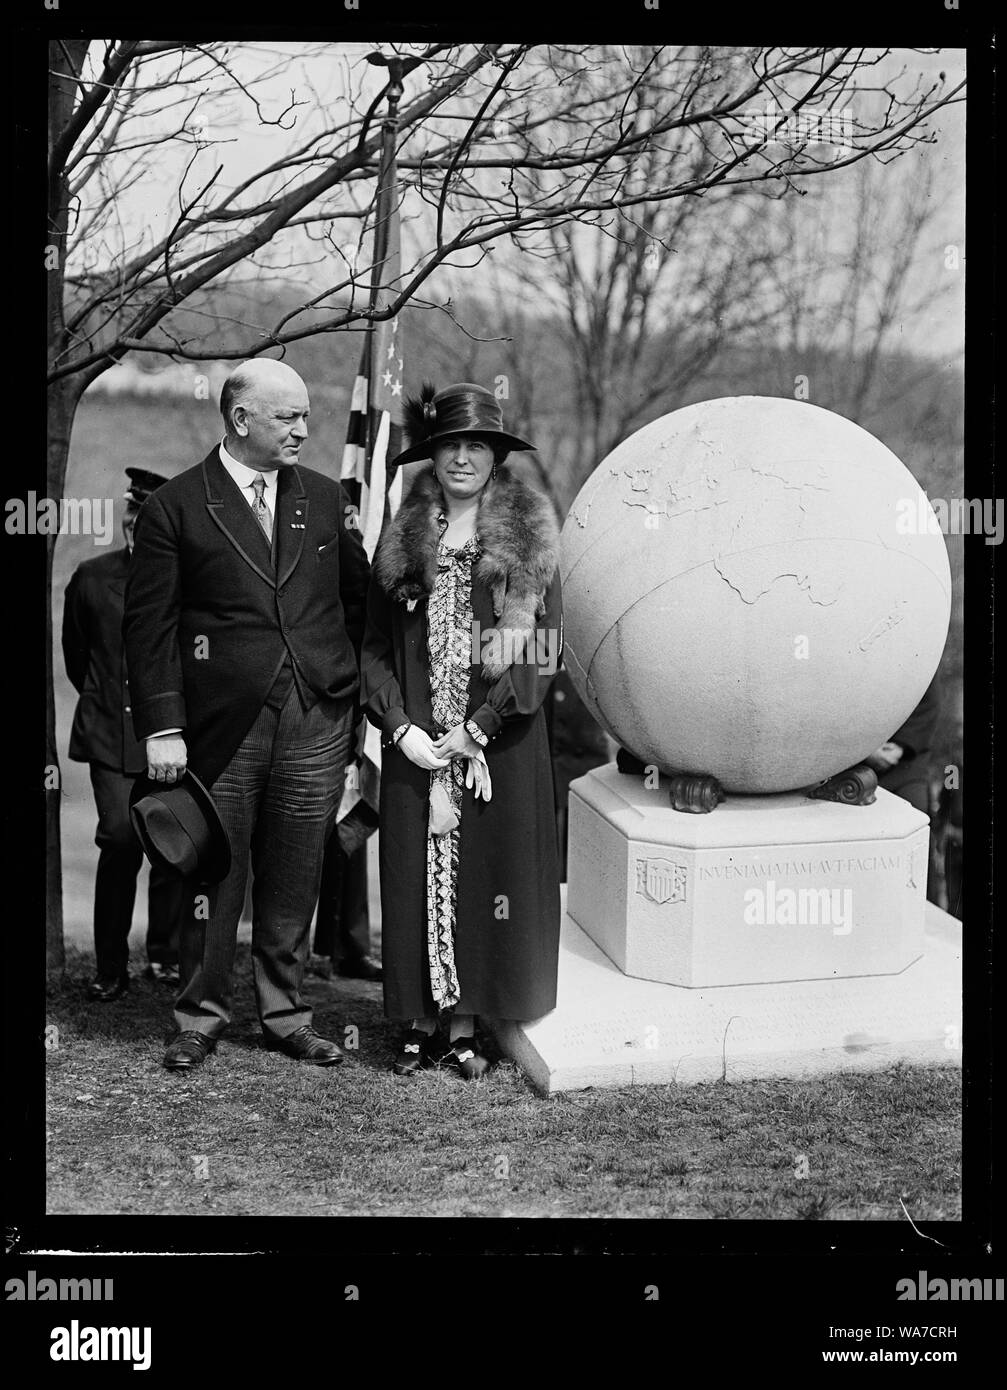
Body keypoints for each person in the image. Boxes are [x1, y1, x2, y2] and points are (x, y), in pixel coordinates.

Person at [123, 359, 370, 1071]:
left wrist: (344, 693)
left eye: (304, 415)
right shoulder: (175, 506)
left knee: (295, 873)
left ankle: (286, 1016)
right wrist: (163, 726)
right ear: (240, 419)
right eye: (287, 416)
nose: (303, 427)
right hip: (218, 729)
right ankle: (199, 1018)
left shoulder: (323, 501)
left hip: (314, 720)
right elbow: (150, 629)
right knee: (214, 879)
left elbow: (355, 605)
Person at [361, 381, 562, 1079]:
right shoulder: (402, 539)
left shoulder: (528, 542)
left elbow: (543, 652)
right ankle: (420, 1014)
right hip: (418, 741)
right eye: (450, 446)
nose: (462, 459)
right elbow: (374, 650)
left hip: (495, 743)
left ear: (496, 456)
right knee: (414, 868)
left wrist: (478, 727)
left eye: (476, 446)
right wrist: (397, 727)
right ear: (433, 455)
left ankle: (471, 1016)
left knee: (485, 876)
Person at [62, 468, 185, 1001]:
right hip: (111, 732)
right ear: (128, 519)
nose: (137, 524)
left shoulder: (191, 582)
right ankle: (110, 966)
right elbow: (77, 658)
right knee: (118, 837)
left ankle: (165, 953)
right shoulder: (91, 578)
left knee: (172, 841)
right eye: (133, 514)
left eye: (149, 516)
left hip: (174, 734)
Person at [863, 672, 944, 902]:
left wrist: (900, 747)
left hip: (907, 765)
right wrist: (867, 750)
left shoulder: (923, 652)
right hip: (859, 764)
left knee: (915, 824)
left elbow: (930, 705)